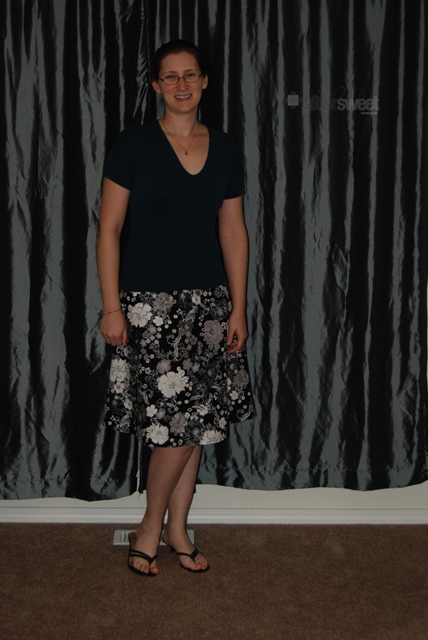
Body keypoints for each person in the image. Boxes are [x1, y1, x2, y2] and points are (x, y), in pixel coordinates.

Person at [96, 40, 255, 576]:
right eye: (170, 76)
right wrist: (111, 306)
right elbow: (109, 228)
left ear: (204, 81)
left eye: (190, 75)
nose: (181, 85)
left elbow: (233, 231)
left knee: (197, 422)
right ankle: (151, 525)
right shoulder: (134, 144)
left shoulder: (226, 148)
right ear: (156, 85)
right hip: (150, 305)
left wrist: (238, 308)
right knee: (177, 424)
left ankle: (177, 528)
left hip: (209, 305)